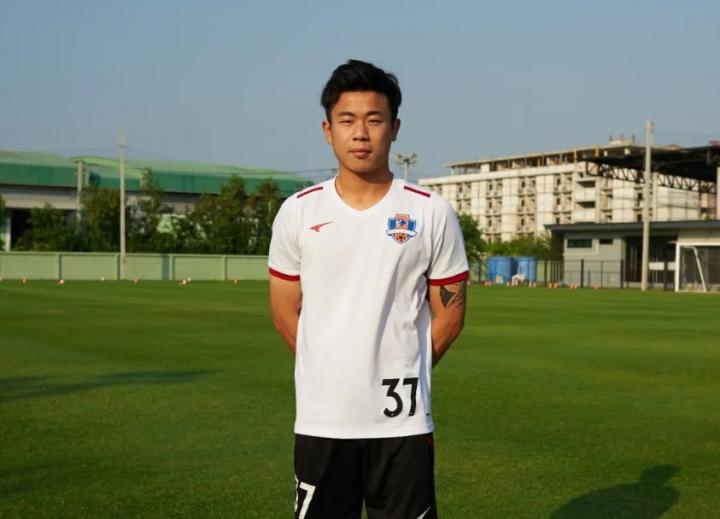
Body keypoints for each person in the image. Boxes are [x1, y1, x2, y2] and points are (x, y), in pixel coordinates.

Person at [268, 59, 468, 519]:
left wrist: (405, 366)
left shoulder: (431, 212)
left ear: (394, 128)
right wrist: (333, 370)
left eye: (374, 120)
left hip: (402, 424)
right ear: (327, 130)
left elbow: (451, 314)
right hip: (323, 419)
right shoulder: (297, 212)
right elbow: (283, 311)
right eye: (347, 120)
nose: (360, 133)